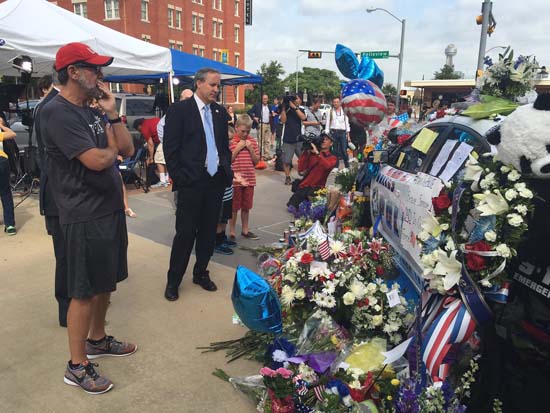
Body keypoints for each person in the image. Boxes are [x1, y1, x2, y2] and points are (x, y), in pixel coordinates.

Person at [40, 42, 137, 394]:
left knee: (105, 281)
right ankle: (77, 365)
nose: (100, 75)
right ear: (73, 72)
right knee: (82, 291)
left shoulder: (95, 108)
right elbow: (96, 160)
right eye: (93, 68)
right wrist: (110, 151)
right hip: (82, 213)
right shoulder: (57, 112)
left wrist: (112, 116)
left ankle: (98, 339)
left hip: (108, 208)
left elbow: (126, 149)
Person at [163, 67, 233, 301]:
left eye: (218, 85)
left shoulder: (220, 113)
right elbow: (170, 148)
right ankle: (173, 280)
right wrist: (180, 178)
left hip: (215, 181)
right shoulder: (179, 110)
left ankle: (201, 272)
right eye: (213, 85)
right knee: (185, 233)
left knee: (208, 233)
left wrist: (226, 170)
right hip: (190, 182)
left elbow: (223, 146)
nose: (216, 89)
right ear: (199, 83)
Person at [33, 74, 71, 326]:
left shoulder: (59, 104)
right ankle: (68, 312)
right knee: (66, 258)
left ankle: (75, 307)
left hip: (66, 197)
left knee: (72, 257)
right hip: (60, 198)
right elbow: (45, 159)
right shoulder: (53, 107)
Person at [228, 115, 260, 241]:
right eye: (243, 131)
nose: (245, 134)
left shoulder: (252, 141)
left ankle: (245, 229)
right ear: (236, 128)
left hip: (249, 179)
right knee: (234, 207)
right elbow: (228, 159)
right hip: (235, 180)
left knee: (246, 206)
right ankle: (231, 231)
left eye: (247, 131)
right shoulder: (232, 142)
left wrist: (251, 149)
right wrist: (238, 148)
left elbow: (256, 161)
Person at [287, 133, 337, 208]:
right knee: (292, 207)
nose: (323, 141)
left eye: (326, 140)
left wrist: (317, 153)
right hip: (304, 186)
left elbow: (326, 166)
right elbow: (301, 170)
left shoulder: (332, 158)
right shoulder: (311, 153)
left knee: (311, 209)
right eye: (322, 139)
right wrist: (306, 152)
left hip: (317, 188)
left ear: (331, 143)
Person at [280, 93, 307, 185]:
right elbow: (283, 121)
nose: (296, 100)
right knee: (286, 161)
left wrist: (294, 107)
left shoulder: (301, 109)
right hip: (288, 139)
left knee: (303, 159)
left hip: (299, 139)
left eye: (297, 98)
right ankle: (287, 177)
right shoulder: (286, 109)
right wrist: (283, 108)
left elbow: (303, 117)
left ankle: (305, 175)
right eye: (294, 99)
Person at [133, 117, 164, 188]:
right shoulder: (153, 120)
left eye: (138, 130)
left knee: (158, 160)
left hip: (163, 140)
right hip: (167, 138)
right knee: (164, 161)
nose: (139, 132)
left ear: (139, 126)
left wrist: (151, 158)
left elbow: (150, 144)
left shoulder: (144, 128)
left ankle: (163, 181)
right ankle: (166, 179)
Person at [0, 117, 17, 235]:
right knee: (5, 193)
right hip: (1, 161)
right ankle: (10, 224)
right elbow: (12, 134)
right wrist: (1, 126)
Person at [324, 97, 351, 168]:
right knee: (334, 151)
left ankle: (347, 166)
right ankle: (335, 166)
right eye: (334, 102)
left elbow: (347, 123)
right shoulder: (330, 111)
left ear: (340, 103)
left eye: (337, 102)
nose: (335, 103)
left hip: (342, 133)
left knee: (344, 150)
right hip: (333, 132)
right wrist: (327, 134)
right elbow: (327, 123)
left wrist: (348, 135)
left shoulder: (344, 111)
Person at [247, 94, 273, 160]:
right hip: (261, 124)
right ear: (262, 99)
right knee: (261, 140)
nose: (265, 100)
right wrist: (254, 117)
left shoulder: (269, 106)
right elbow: (249, 112)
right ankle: (260, 155)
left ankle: (267, 155)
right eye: (264, 99)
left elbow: (271, 113)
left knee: (267, 141)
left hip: (268, 124)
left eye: (266, 99)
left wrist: (272, 114)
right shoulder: (257, 105)